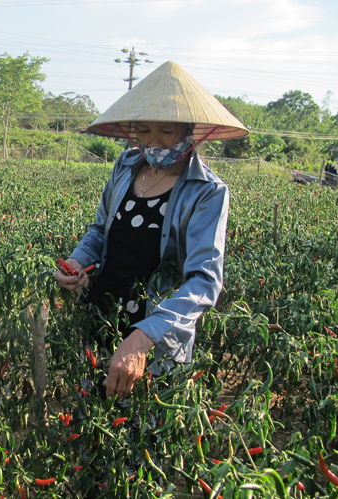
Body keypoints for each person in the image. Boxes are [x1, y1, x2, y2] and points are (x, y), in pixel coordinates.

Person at [54, 61, 249, 400]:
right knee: (93, 425)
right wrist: (77, 264)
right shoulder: (125, 166)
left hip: (153, 337)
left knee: (143, 435)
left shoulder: (207, 191)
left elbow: (204, 280)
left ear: (189, 129)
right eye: (143, 130)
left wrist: (142, 337)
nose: (154, 141)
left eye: (167, 131)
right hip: (102, 316)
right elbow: (101, 230)